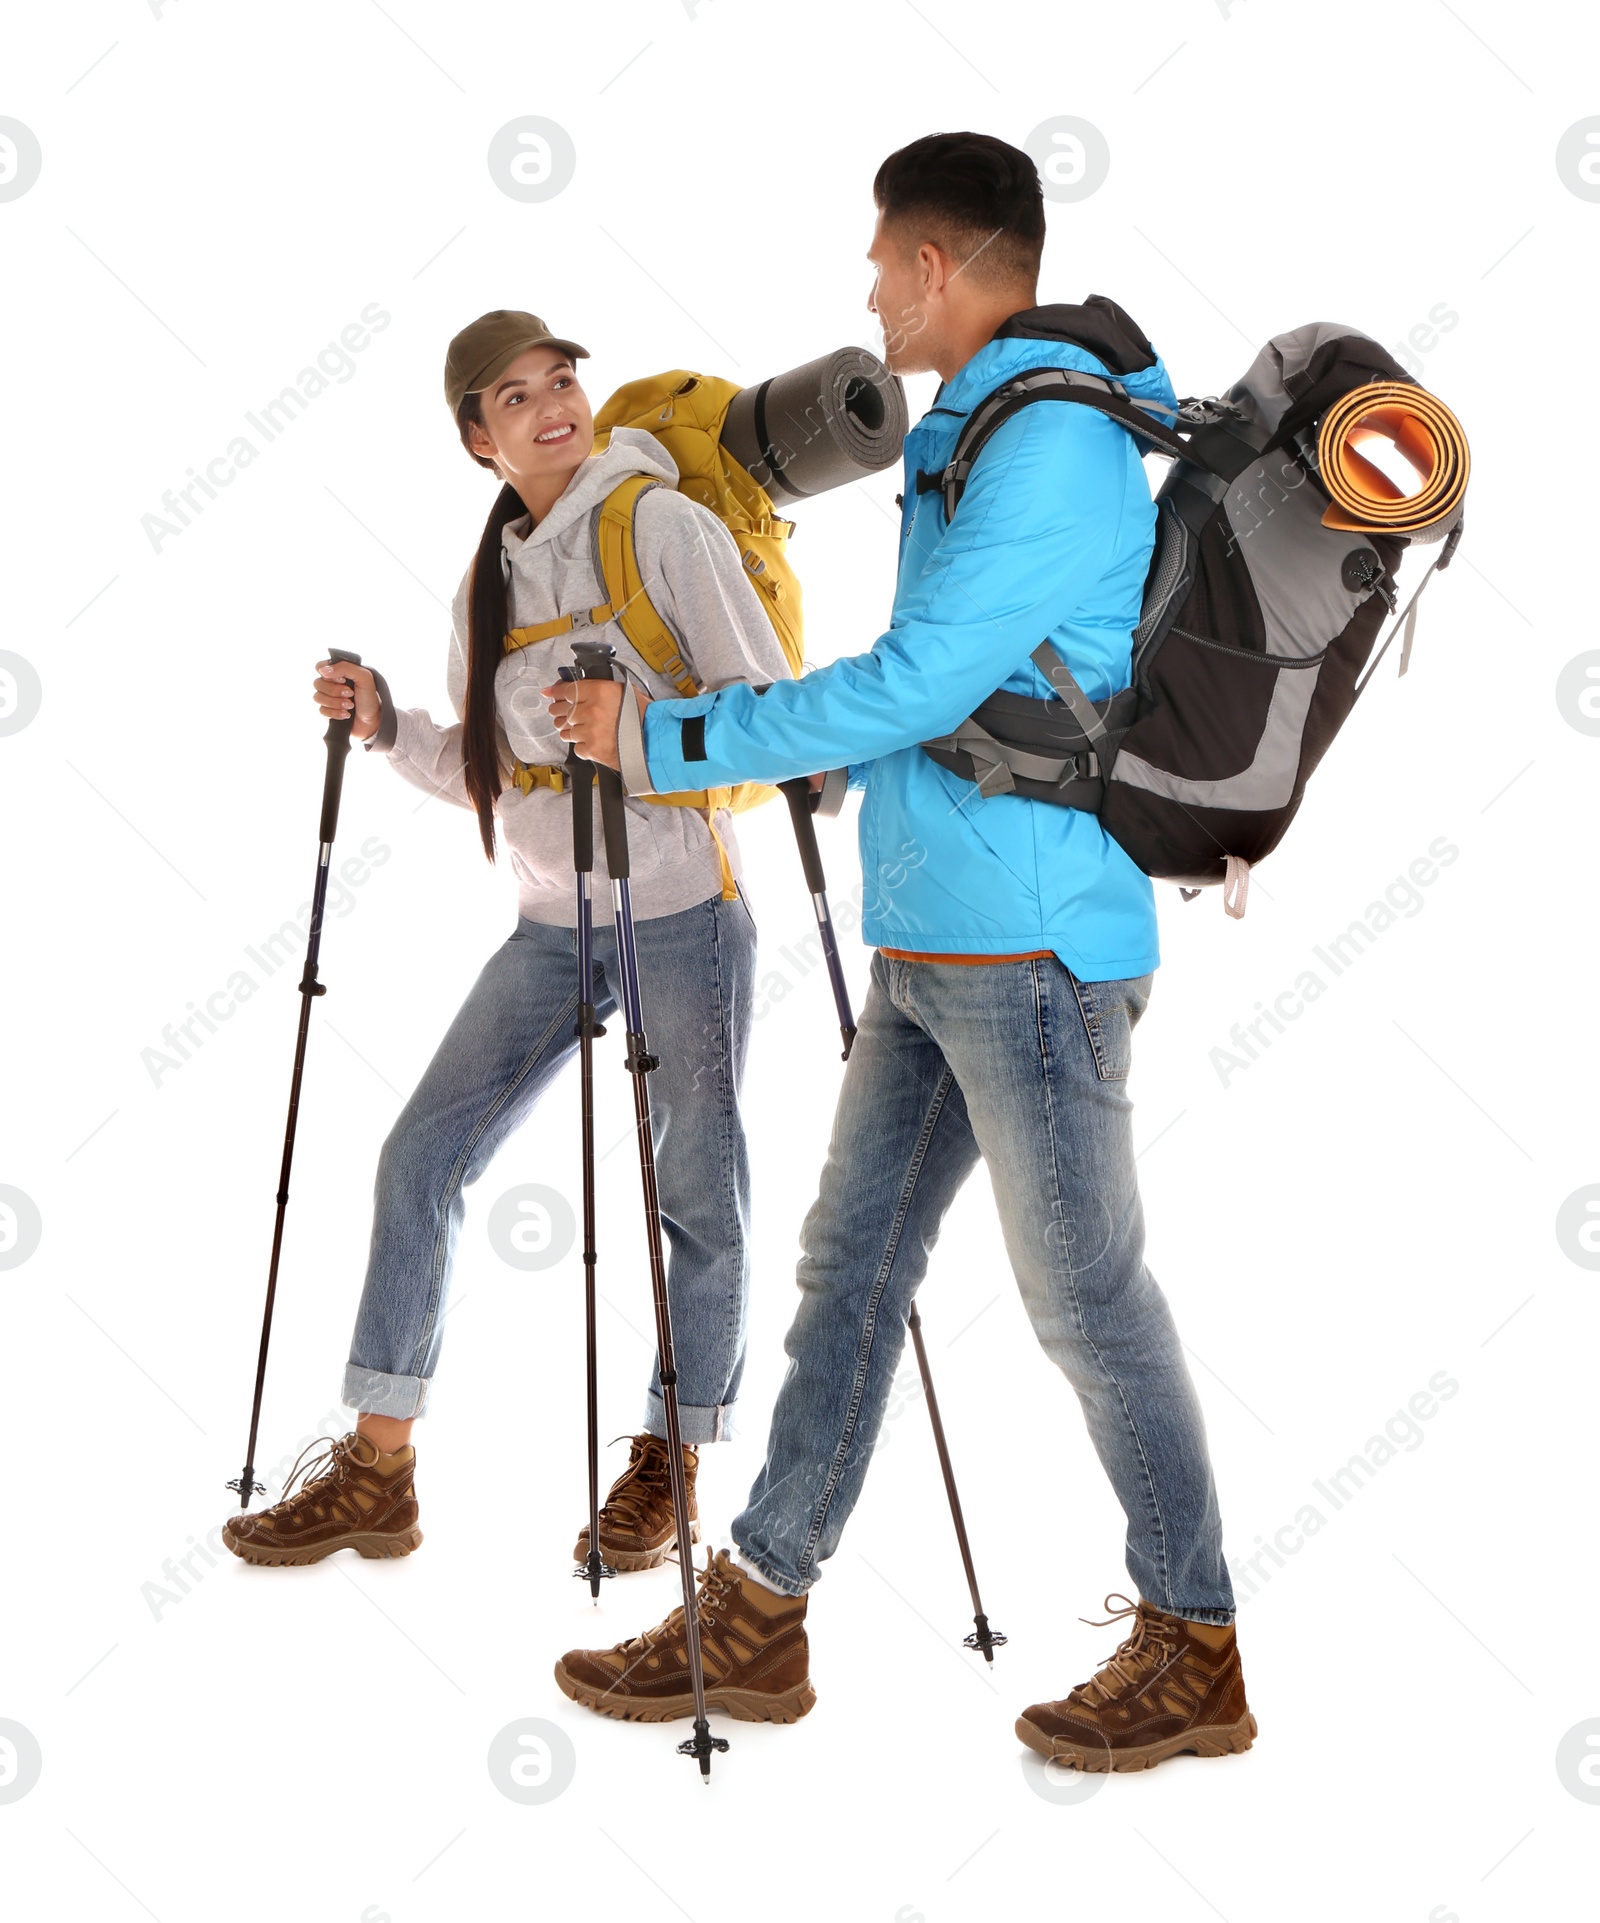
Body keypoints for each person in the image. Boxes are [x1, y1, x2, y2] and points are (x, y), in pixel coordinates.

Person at [547, 135, 1256, 1772]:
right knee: (846, 1275)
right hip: (936, 937)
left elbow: (927, 679)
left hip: (1035, 950)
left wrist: (677, 737)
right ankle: (762, 1610)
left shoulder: (1054, 442)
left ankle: (1198, 1637)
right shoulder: (982, 428)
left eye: (882, 261)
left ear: (938, 263)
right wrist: (809, 753)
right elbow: (956, 700)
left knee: (1082, 1298)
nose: (867, 292)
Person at [222, 310, 791, 1574]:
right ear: (478, 441)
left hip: (683, 909)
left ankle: (670, 1461)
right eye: (514, 398)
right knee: (420, 1157)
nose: (551, 406)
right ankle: (378, 1471)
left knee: (696, 1197)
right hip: (548, 925)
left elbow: (769, 721)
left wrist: (631, 725)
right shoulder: (486, 579)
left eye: (561, 381)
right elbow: (482, 777)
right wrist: (384, 726)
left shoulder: (665, 527)